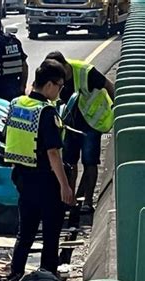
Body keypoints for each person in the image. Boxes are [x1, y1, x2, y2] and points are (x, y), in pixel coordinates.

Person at [4, 59, 75, 281]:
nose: (60, 91)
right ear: (50, 85)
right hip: (46, 179)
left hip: (22, 177)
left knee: (25, 232)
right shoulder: (46, 113)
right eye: (60, 86)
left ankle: (15, 274)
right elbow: (53, 154)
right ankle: (46, 277)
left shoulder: (17, 104)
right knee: (51, 232)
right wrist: (65, 186)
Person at [45, 51, 115, 214]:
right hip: (70, 124)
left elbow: (109, 86)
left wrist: (116, 107)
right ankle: (70, 201)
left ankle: (88, 202)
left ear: (64, 65)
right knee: (69, 162)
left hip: (91, 123)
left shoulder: (85, 72)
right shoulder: (54, 78)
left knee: (90, 161)